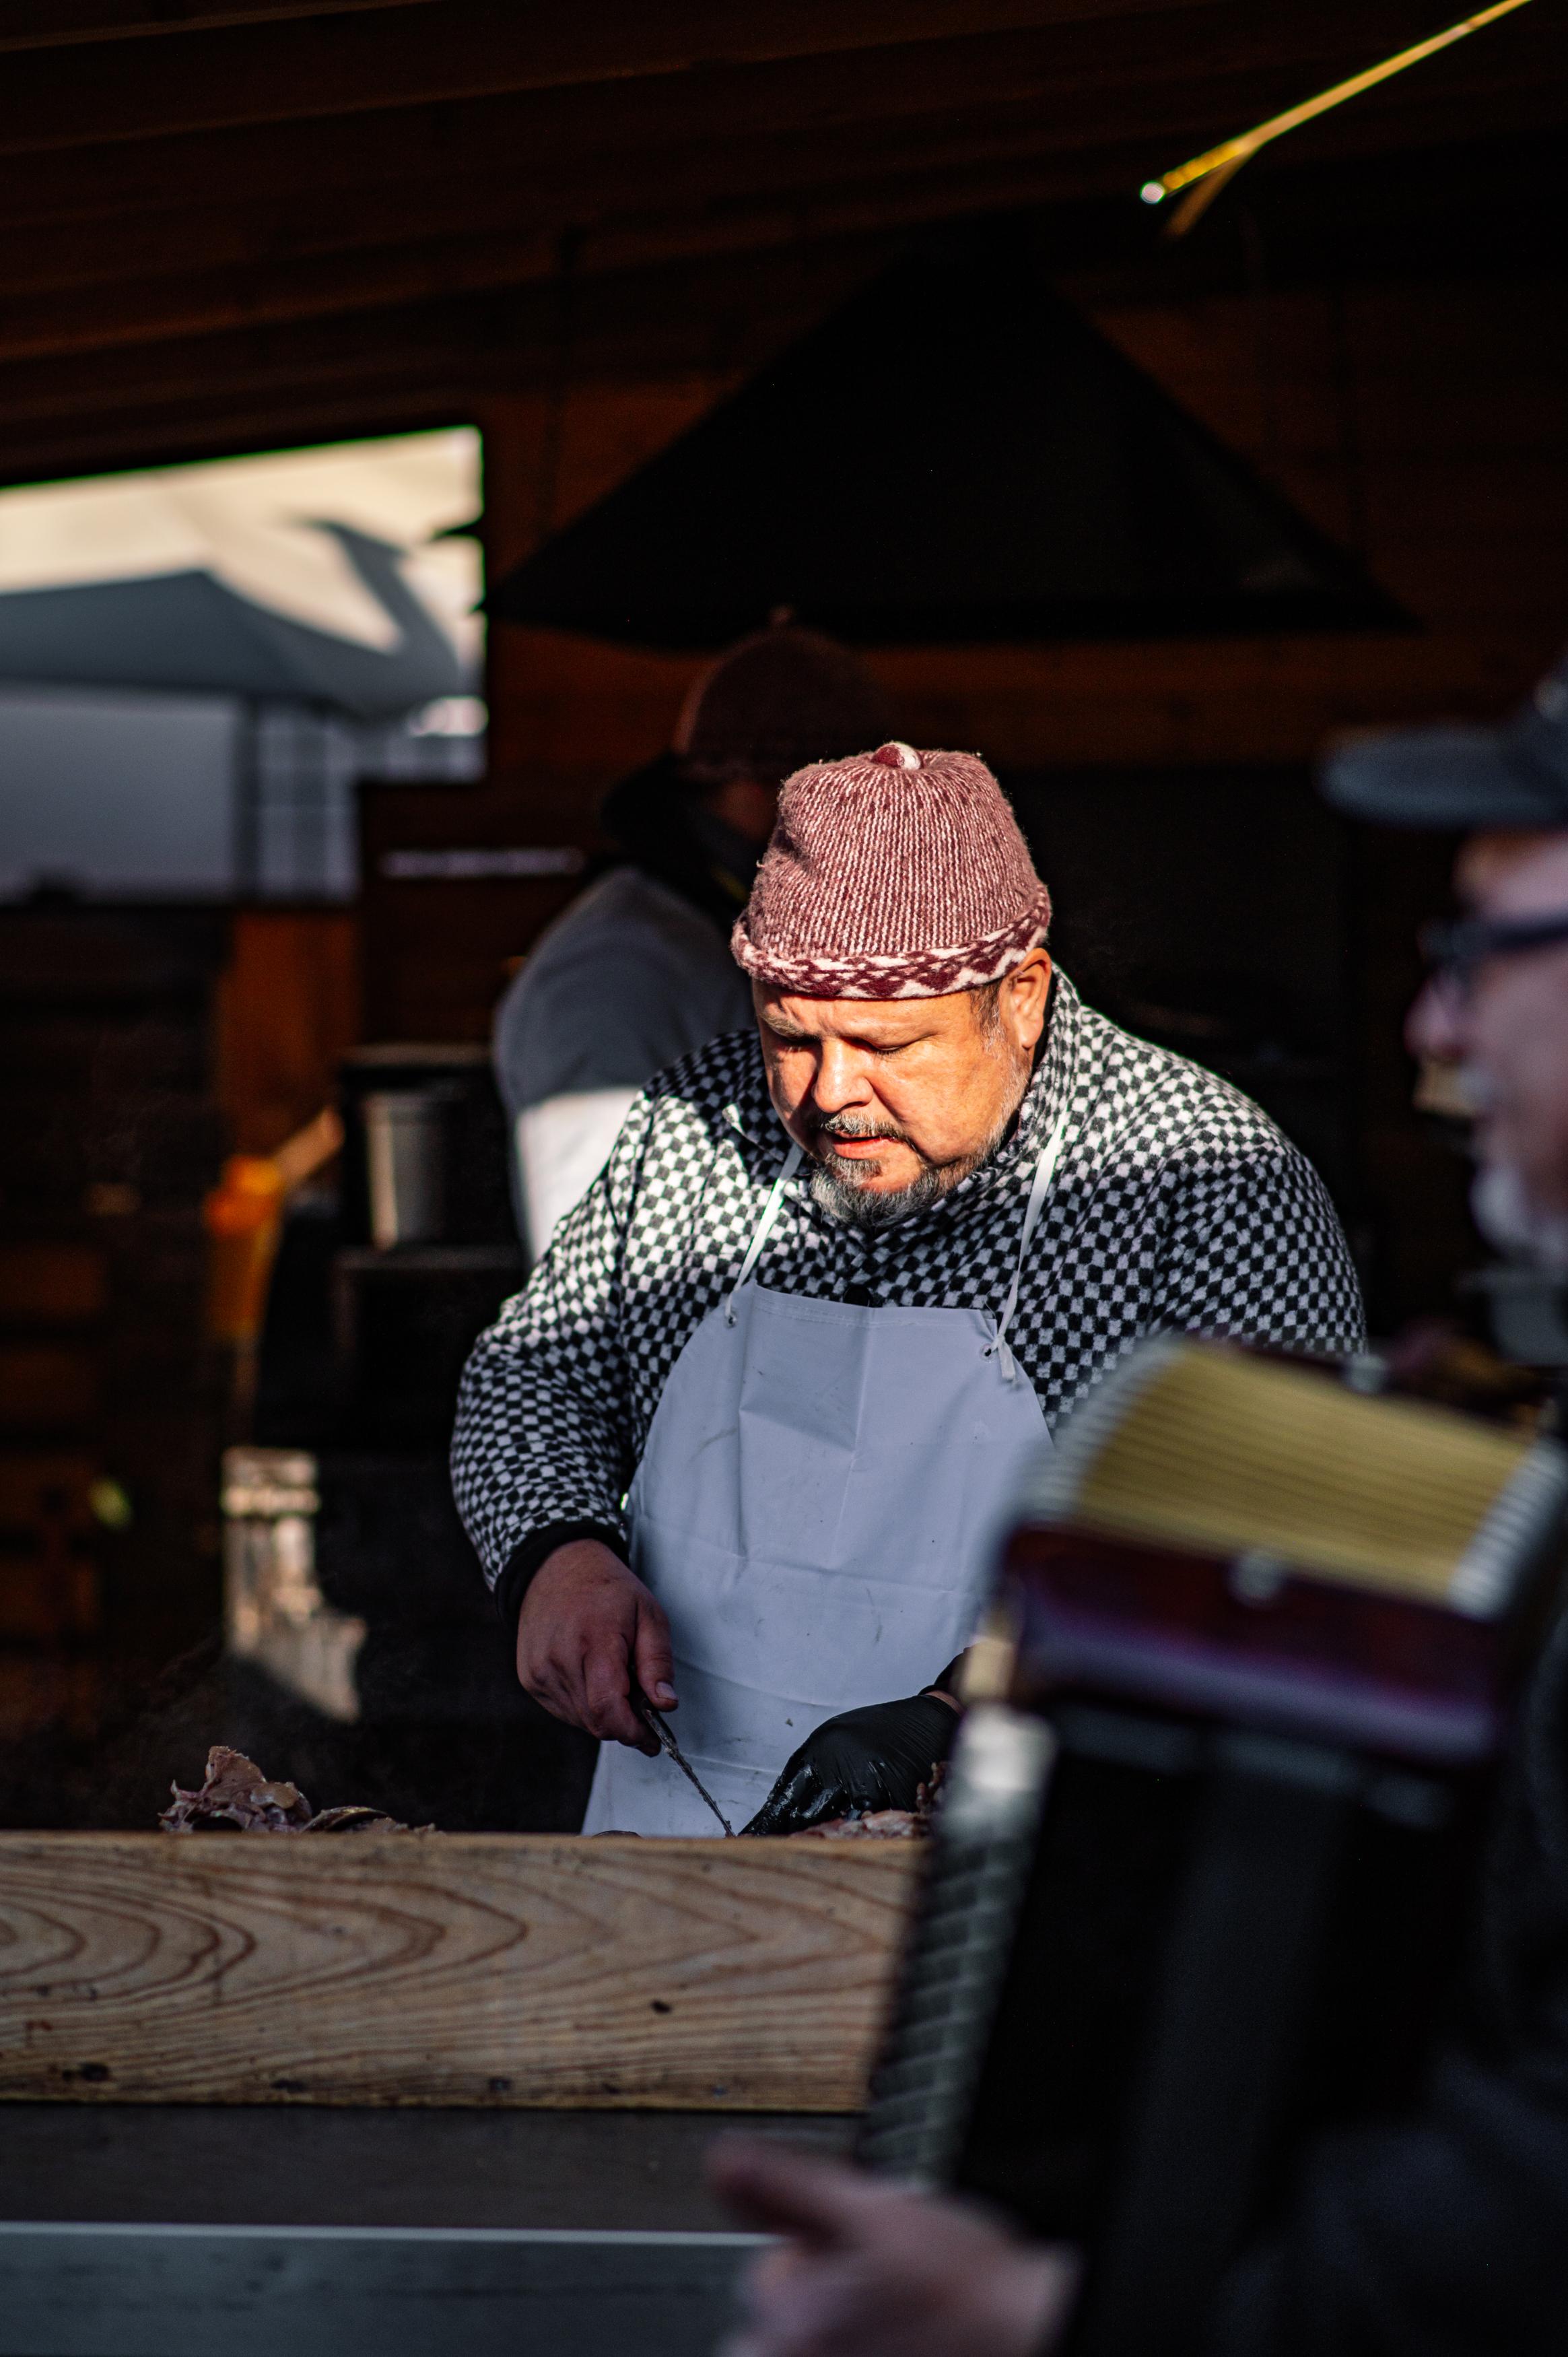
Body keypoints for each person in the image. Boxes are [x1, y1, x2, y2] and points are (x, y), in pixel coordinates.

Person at [707, 651, 1568, 2356]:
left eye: (1480, 955)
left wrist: (1063, 2320)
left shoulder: (1205, 1170)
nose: (1429, 1028)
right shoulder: (711, 1150)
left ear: (1014, 1001)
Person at [452, 738, 1360, 1840]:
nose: (831, 1095)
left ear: (1018, 995)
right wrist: (558, 1555)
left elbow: (1270, 1534)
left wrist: (955, 1711)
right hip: (683, 1840)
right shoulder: (692, 1125)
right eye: (789, 1036)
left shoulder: (1202, 1177)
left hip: (1037, 1847)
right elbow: (535, 1369)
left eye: (886, 1045)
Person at [492, 622, 894, 1259]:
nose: (875, 841)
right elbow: (606, 1267)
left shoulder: (723, 938)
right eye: (859, 805)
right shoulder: (619, 972)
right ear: (773, 785)